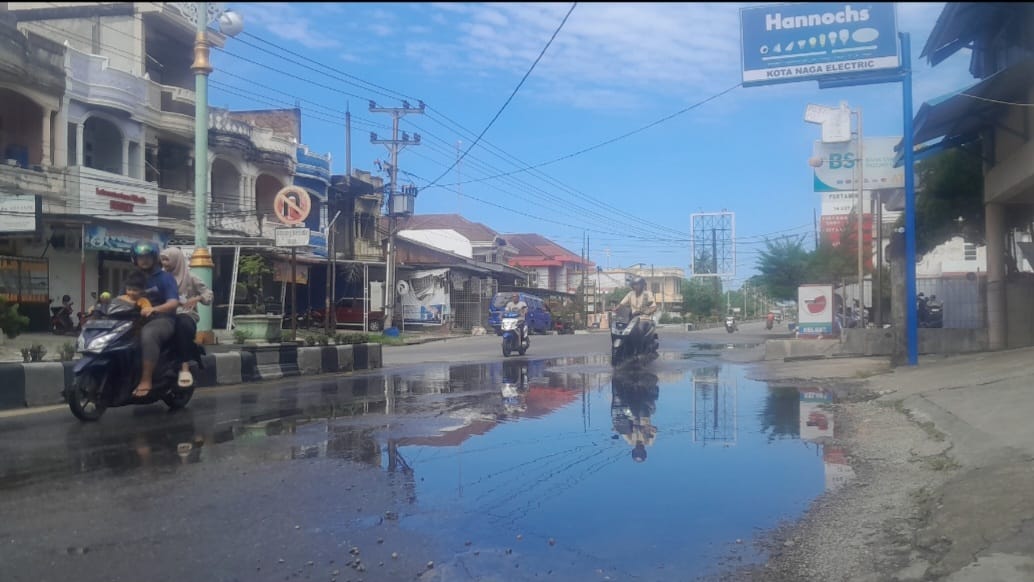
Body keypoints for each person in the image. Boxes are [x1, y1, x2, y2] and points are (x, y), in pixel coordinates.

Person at [128, 241, 180, 398]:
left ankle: (146, 380)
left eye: (148, 256)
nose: (144, 260)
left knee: (148, 334)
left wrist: (154, 309)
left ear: (154, 258)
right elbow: (122, 298)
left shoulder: (165, 278)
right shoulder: (132, 278)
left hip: (162, 320)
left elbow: (173, 302)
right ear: (134, 259)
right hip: (136, 319)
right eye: (140, 257)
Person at [160, 246, 213, 388]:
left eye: (167, 260)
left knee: (181, 325)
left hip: (185, 314)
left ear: (176, 261)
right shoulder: (160, 277)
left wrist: (197, 298)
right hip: (163, 314)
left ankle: (184, 366)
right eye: (162, 259)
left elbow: (209, 295)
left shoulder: (190, 277)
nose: (164, 263)